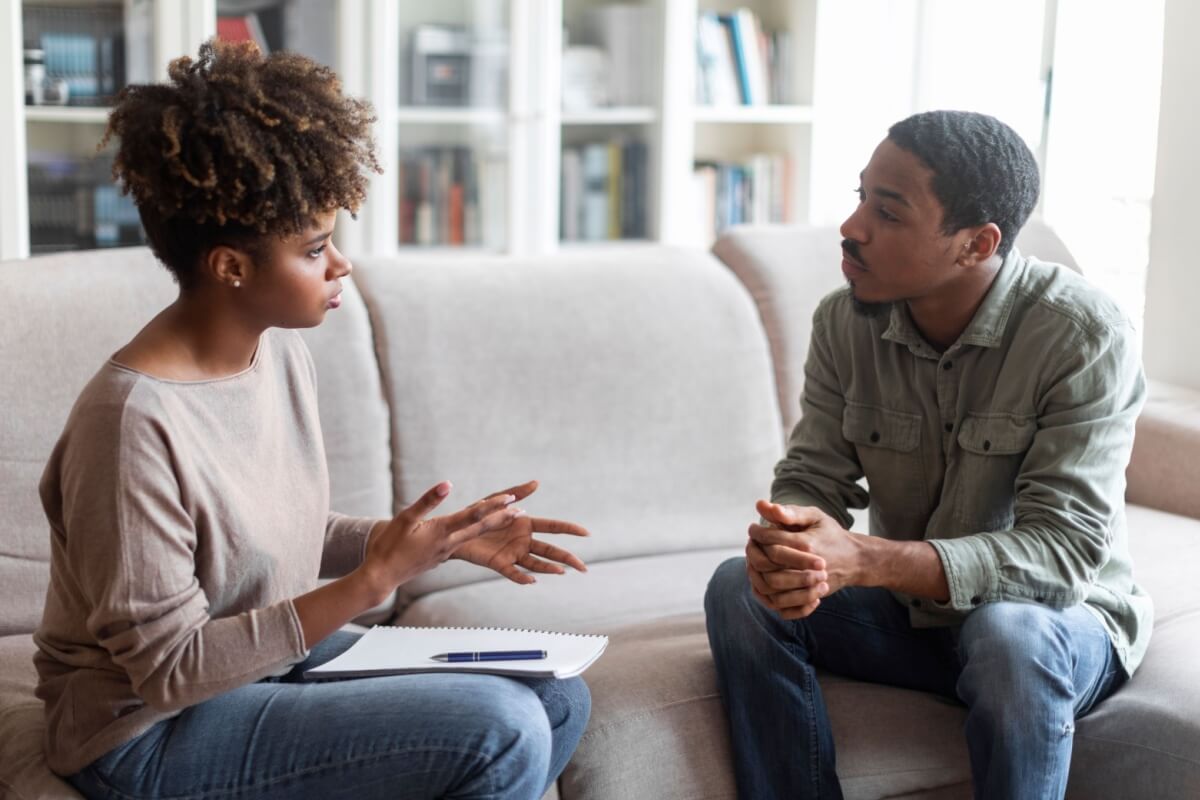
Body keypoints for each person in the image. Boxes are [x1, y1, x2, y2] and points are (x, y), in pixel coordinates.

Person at [34, 40, 591, 800]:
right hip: (141, 732)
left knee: (559, 695)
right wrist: (373, 582)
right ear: (231, 266)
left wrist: (419, 543)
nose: (343, 266)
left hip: (258, 667)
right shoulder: (132, 424)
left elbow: (262, 535)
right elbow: (169, 669)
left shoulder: (275, 353)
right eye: (316, 247)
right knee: (503, 727)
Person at [704, 110, 1150, 800]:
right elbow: (813, 475)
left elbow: (1061, 556)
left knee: (1007, 635)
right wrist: (792, 541)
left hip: (1057, 622)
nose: (852, 228)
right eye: (859, 198)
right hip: (918, 617)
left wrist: (868, 559)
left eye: (888, 211)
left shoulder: (1083, 334)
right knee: (740, 590)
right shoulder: (843, 319)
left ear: (976, 243)